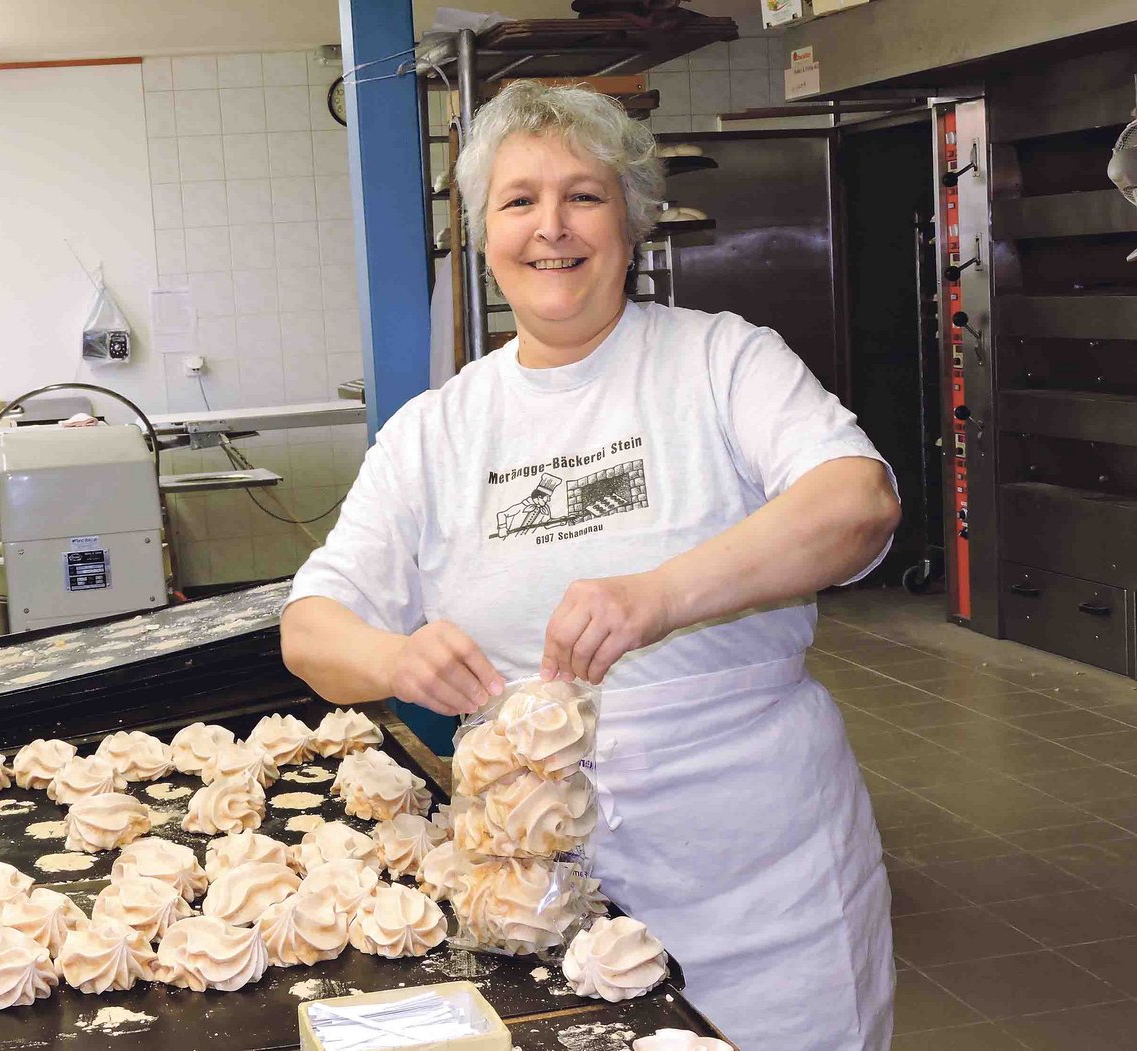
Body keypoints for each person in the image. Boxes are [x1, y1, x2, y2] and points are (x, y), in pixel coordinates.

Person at [281, 81, 900, 1050]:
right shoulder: (434, 432)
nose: (551, 228)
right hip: (529, 883)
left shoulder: (721, 361)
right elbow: (311, 625)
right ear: (483, 234)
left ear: (633, 219)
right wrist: (397, 662)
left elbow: (855, 504)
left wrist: (662, 595)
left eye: (583, 195)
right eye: (518, 200)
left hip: (759, 881)